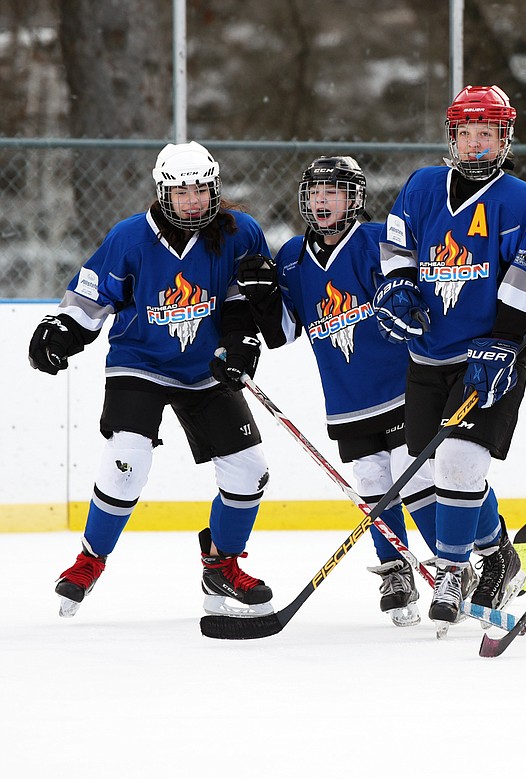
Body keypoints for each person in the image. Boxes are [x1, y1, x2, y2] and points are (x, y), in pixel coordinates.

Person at [31, 141, 275, 619]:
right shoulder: (130, 238)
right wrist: (62, 329)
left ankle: (221, 566)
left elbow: (242, 300)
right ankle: (89, 560)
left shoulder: (239, 232)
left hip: (206, 367)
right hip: (139, 362)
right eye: (180, 192)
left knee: (250, 469)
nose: (192, 201)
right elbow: (91, 297)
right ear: (163, 192)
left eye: (201, 191)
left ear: (214, 189)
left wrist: (242, 341)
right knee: (128, 458)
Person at [373, 85, 526, 634]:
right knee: (427, 468)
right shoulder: (423, 185)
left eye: (487, 134)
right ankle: (498, 552)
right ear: (453, 136)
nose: (476, 145)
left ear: (505, 139)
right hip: (428, 356)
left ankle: (454, 569)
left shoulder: (522, 200)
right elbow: (398, 245)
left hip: (489, 355)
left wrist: (504, 341)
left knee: (461, 463)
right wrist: (398, 288)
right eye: (466, 133)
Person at [235, 156, 439, 627]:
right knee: (372, 484)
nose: (322, 200)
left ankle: (452, 566)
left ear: (355, 199)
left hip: (403, 388)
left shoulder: (376, 241)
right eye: (315, 192)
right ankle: (396, 571)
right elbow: (284, 333)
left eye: (335, 191)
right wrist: (263, 295)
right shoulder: (290, 259)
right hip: (348, 398)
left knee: (418, 479)